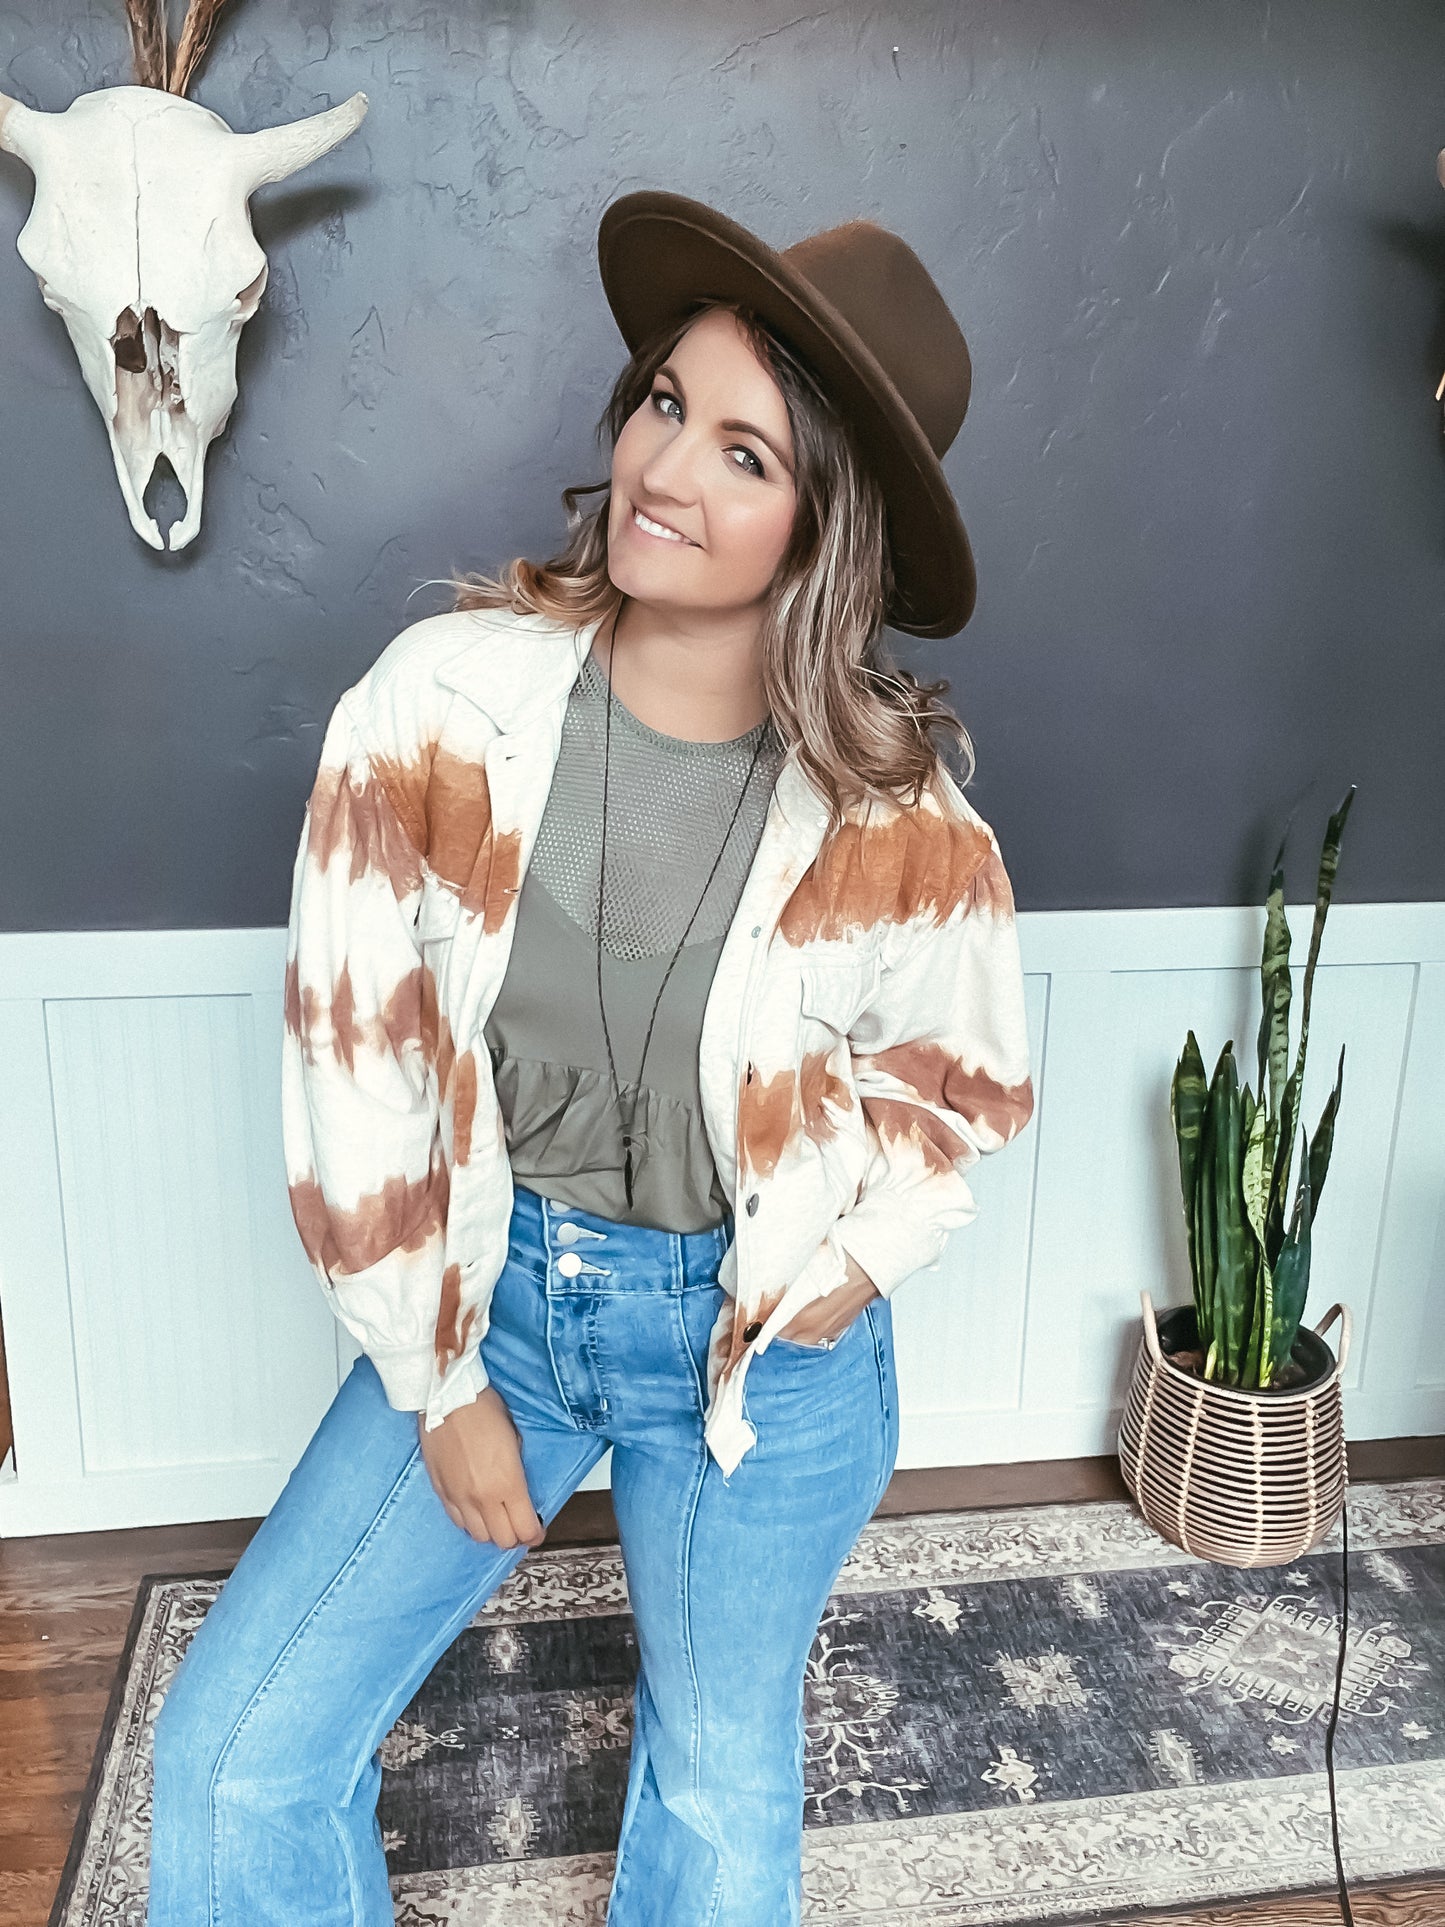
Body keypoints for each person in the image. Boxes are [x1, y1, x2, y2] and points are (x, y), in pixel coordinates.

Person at [146, 190, 1036, 1926]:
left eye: (743, 455)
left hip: (762, 1356)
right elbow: (355, 1059)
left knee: (718, 1795)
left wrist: (840, 1278)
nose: (665, 471)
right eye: (664, 405)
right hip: (498, 1306)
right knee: (237, 1753)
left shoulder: (899, 817)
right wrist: (441, 1381)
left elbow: (960, 1096)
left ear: (823, 530)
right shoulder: (436, 709)